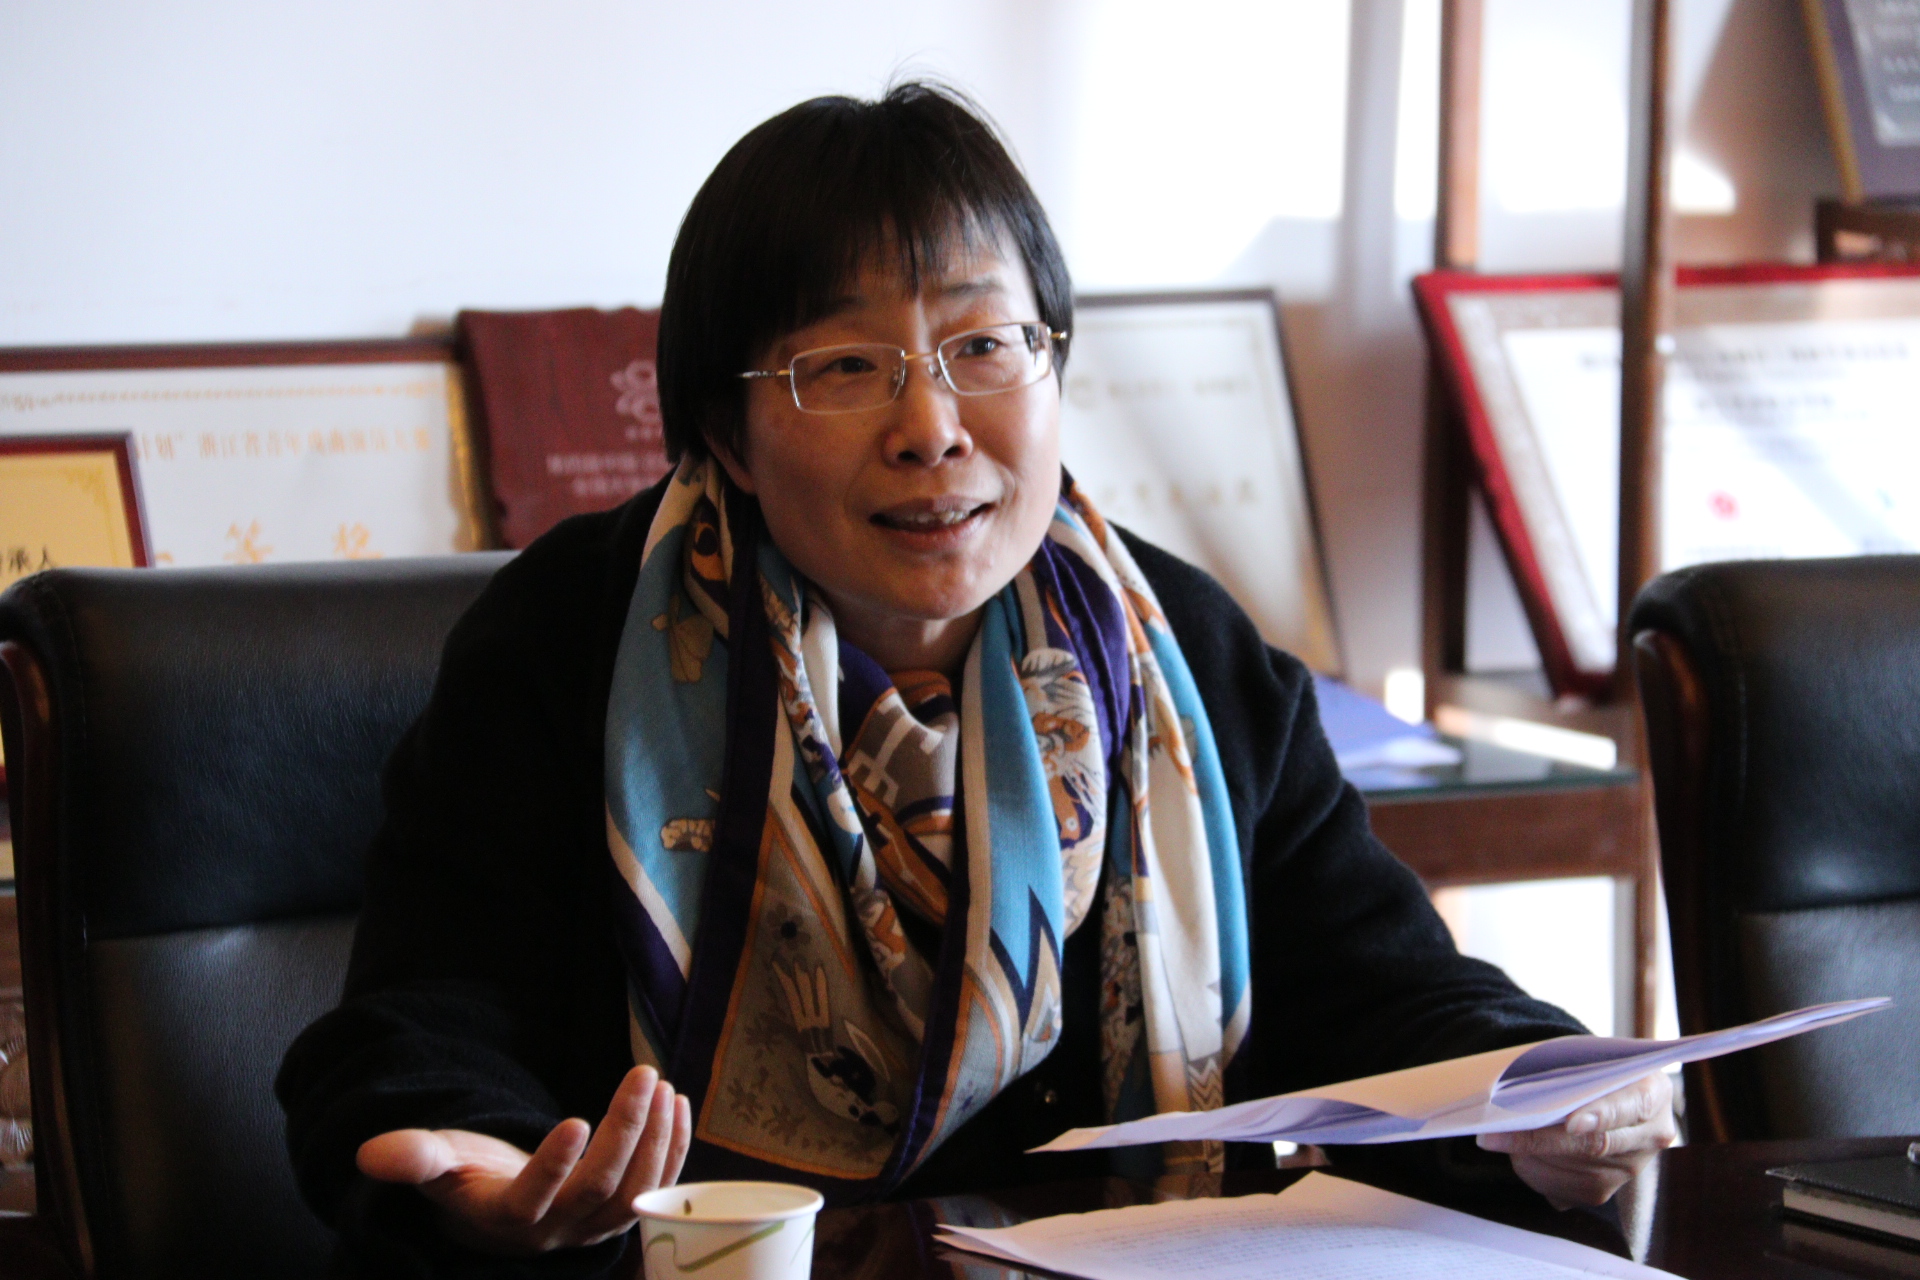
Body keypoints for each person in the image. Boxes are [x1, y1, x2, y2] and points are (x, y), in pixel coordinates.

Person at [277, 82, 1675, 1275]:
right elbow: (427, 1020)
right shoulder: (570, 641)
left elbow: (1379, 993)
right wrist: (480, 1174)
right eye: (843, 366)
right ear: (728, 432)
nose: (931, 427)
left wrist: (1543, 1088)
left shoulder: (1178, 652)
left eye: (984, 346)